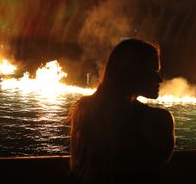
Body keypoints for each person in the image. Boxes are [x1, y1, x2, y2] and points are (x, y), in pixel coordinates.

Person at [68, 38, 175, 184]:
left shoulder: (84, 109)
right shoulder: (157, 119)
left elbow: (76, 165)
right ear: (132, 72)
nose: (159, 79)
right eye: (153, 71)